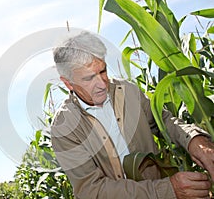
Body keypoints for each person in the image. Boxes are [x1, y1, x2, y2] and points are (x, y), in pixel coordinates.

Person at [50, 31, 214, 199]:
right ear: (68, 83)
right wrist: (167, 190)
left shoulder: (129, 92)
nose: (101, 84)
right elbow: (92, 190)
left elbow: (163, 120)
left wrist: (194, 140)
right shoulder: (64, 127)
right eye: (89, 78)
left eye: (103, 71)